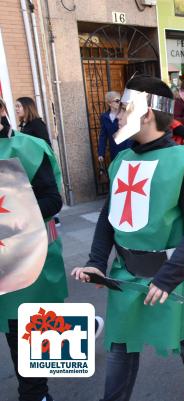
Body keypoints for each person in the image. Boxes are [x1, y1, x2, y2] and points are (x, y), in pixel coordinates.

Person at [71, 75, 184, 401]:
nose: (118, 116)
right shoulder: (122, 161)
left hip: (177, 274)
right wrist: (96, 263)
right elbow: (109, 219)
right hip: (126, 273)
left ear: (147, 114)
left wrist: (168, 276)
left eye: (124, 109)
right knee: (122, 345)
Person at [1, 98, 67, 401]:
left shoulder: (27, 148)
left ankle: (35, 394)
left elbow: (53, 200)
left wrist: (13, 216)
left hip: (29, 258)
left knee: (23, 329)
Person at [98, 91, 132, 163]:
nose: (119, 103)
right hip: (114, 150)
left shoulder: (125, 114)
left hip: (128, 149)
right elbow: (103, 136)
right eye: (117, 101)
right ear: (109, 103)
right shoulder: (105, 117)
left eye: (120, 100)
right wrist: (101, 153)